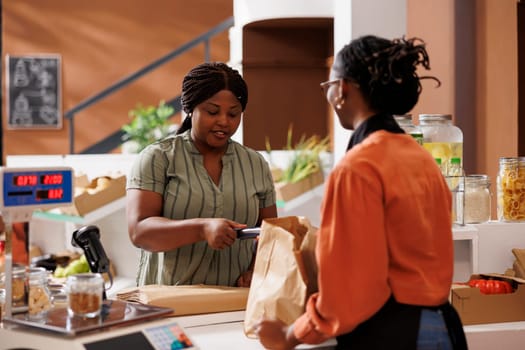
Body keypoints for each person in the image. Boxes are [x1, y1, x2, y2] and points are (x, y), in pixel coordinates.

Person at [255, 35, 467, 349]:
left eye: (328, 85)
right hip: (442, 326)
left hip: (393, 333)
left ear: (342, 90)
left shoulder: (358, 167)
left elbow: (352, 290)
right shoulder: (420, 158)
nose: (327, 92)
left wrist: (291, 334)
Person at [126, 62, 277, 288]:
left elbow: (270, 232)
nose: (224, 121)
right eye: (212, 111)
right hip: (168, 303)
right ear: (190, 109)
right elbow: (139, 232)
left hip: (235, 301)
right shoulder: (158, 158)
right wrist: (202, 229)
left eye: (234, 113)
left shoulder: (255, 164)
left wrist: (255, 268)